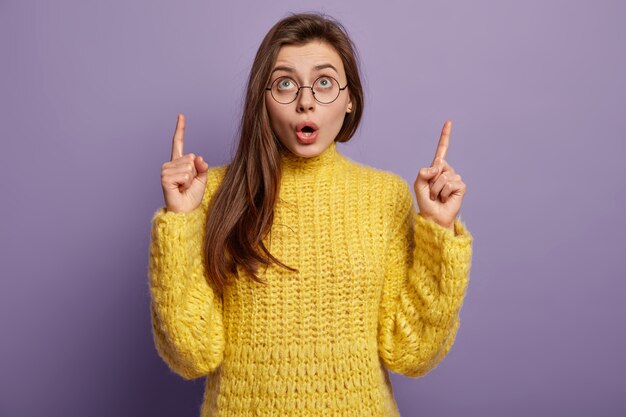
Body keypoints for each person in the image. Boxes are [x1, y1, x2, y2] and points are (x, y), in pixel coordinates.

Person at [148, 11, 473, 417]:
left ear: (350, 98)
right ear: (262, 98)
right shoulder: (211, 193)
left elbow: (412, 352)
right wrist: (179, 220)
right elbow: (191, 353)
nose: (306, 101)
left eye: (324, 83)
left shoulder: (386, 196)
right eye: (285, 83)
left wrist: (438, 229)